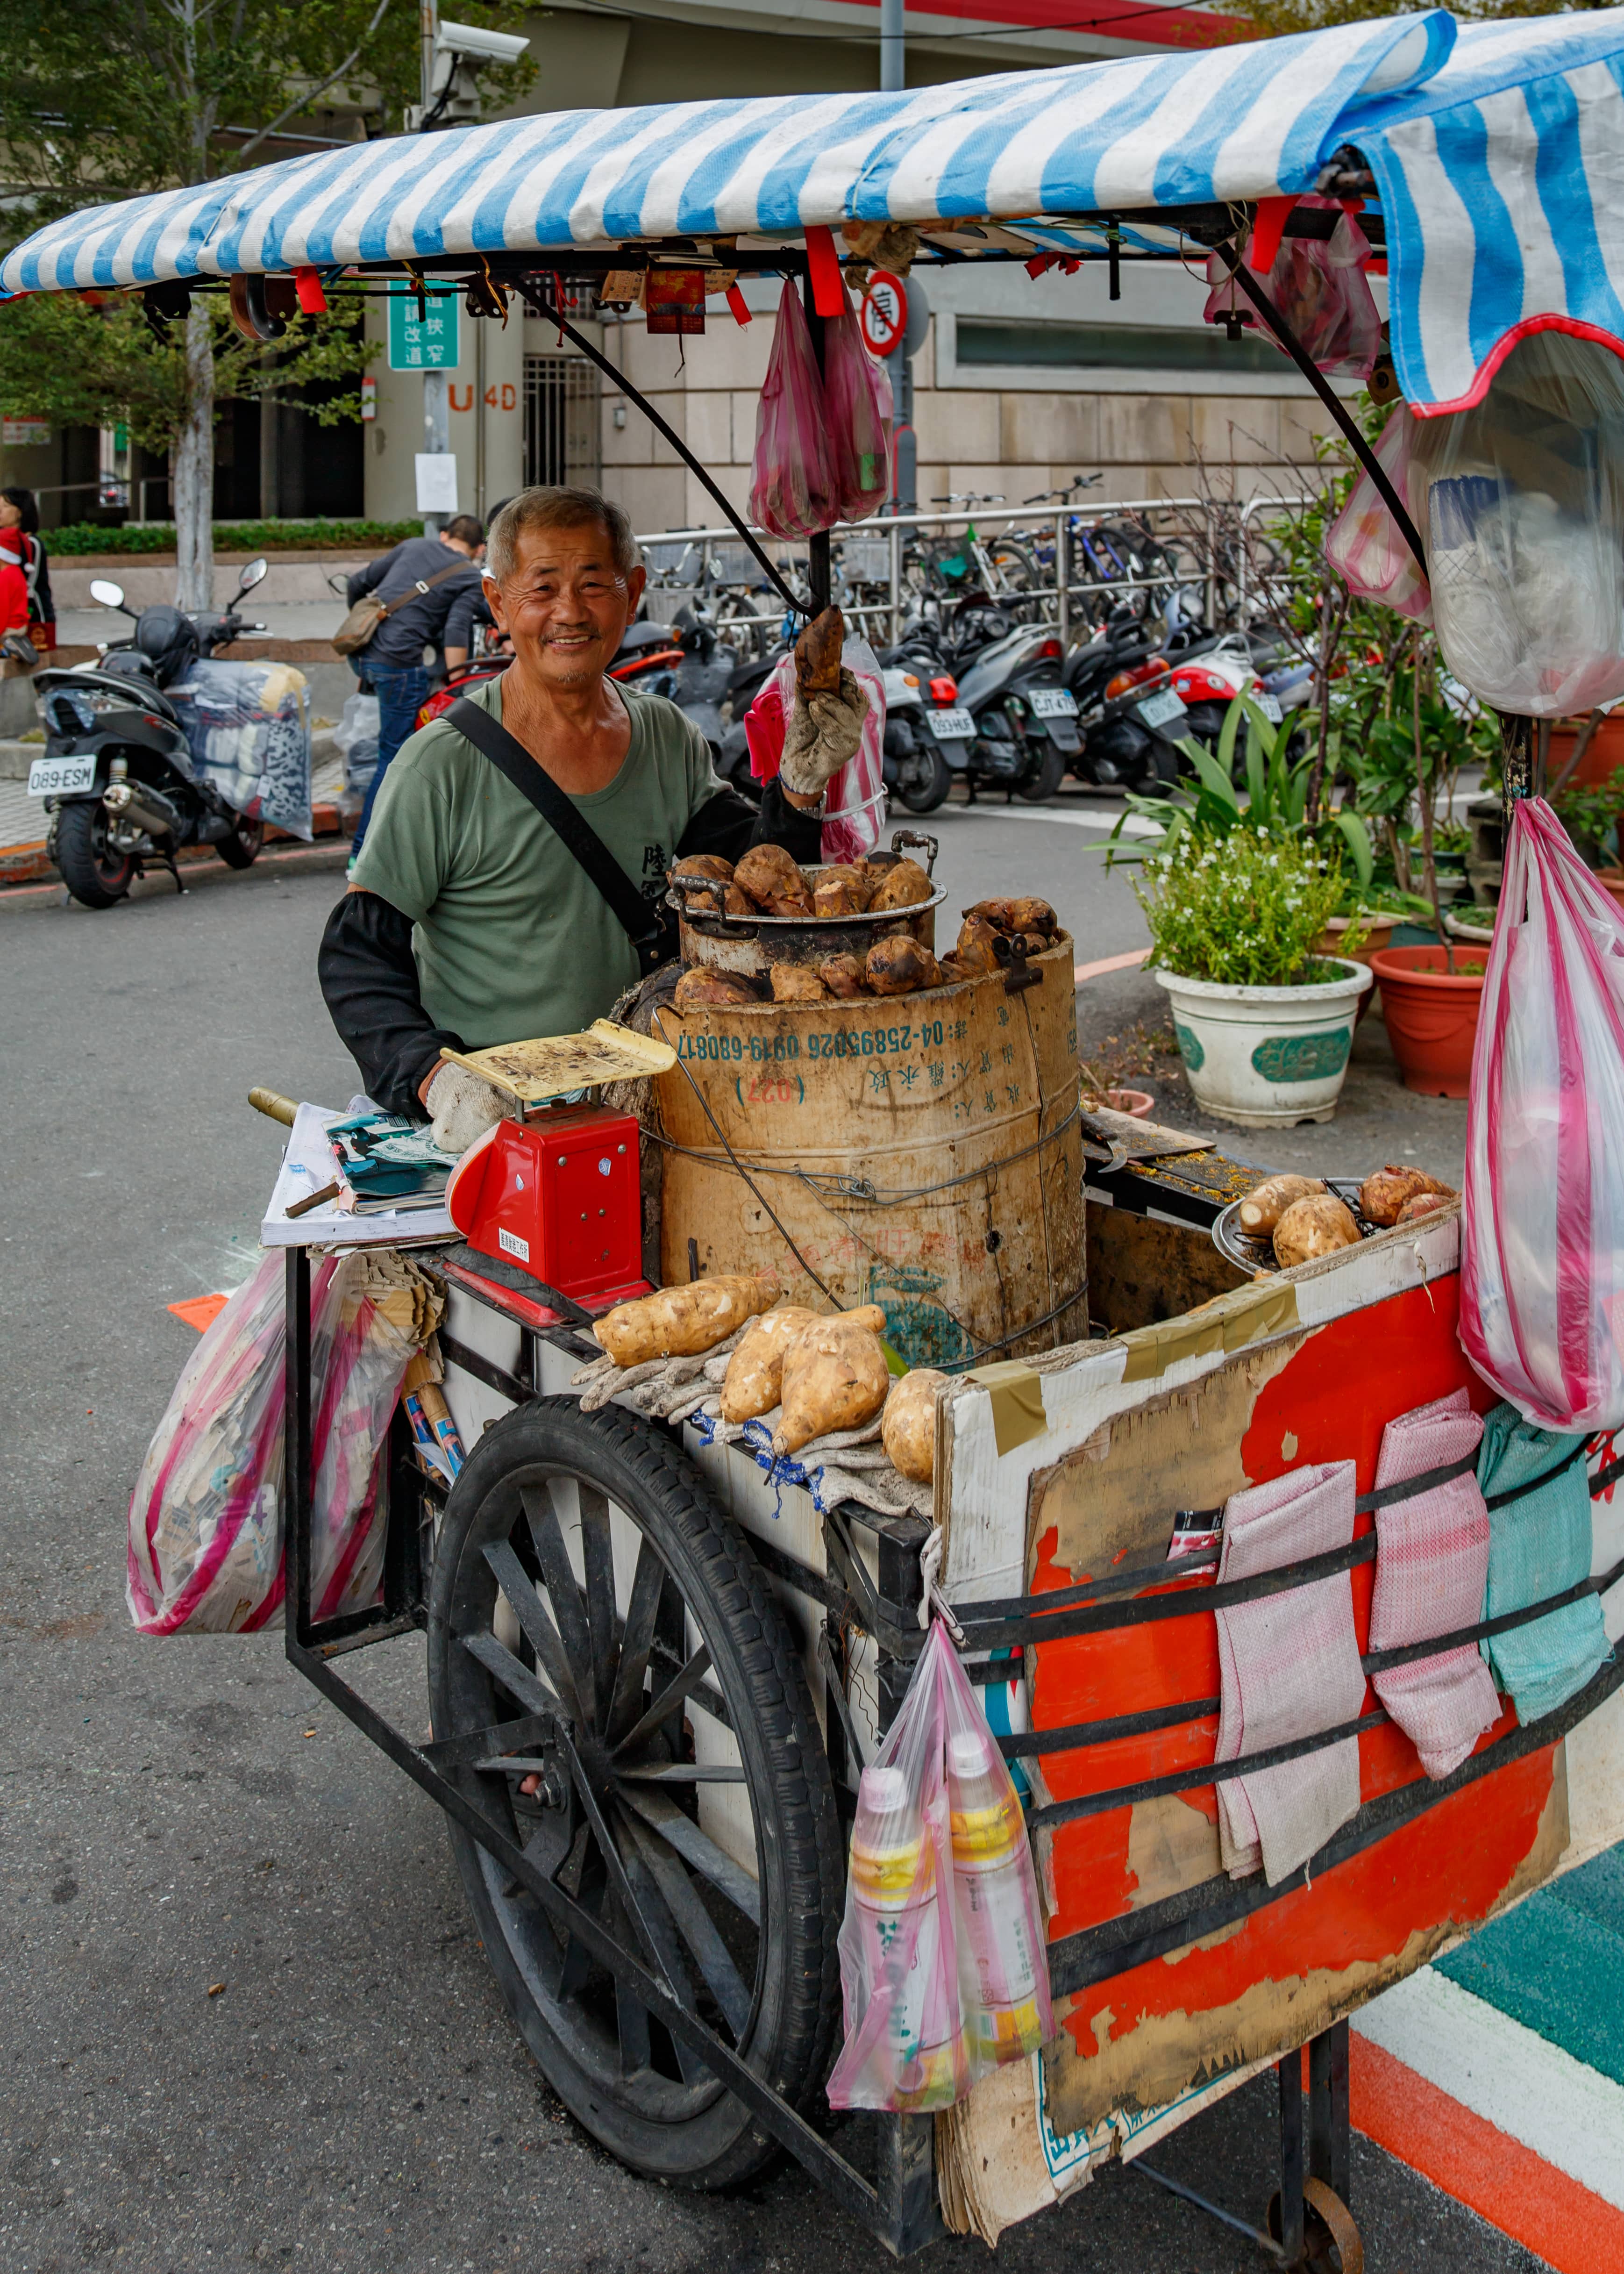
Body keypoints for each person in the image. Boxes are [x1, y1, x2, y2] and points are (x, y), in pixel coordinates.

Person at [318, 485, 855, 1157]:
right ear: (498, 604)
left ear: (632, 593)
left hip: (662, 1104)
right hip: (507, 1124)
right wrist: (435, 1078)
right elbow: (357, 958)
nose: (569, 613)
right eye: (542, 588)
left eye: (594, 584)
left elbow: (750, 885)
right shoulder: (441, 766)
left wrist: (799, 791)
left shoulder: (666, 735)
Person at [342, 514, 487, 862]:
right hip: (398, 666)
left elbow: (357, 583)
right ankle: (362, 854)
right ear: (479, 549)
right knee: (392, 757)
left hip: (362, 654)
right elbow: (455, 630)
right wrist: (458, 683)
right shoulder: (468, 575)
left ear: (444, 536)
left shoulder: (412, 546)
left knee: (395, 741)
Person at [0, 487, 56, 651]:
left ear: (20, 512)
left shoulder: (32, 543)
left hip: (33, 613)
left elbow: (28, 582)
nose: (0, 511)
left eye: (5, 507)